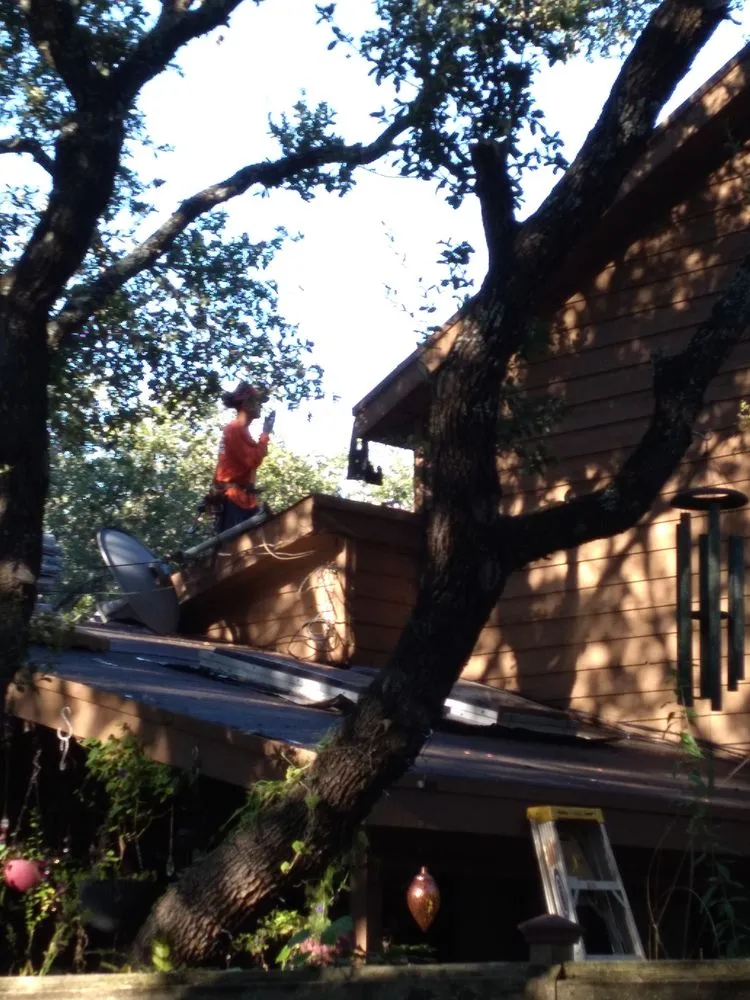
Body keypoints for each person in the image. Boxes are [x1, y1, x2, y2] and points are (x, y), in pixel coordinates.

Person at [212, 380, 275, 532]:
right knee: (235, 550)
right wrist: (265, 433)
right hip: (233, 499)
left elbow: (256, 455)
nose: (260, 406)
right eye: (257, 402)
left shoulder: (243, 431)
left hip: (245, 499)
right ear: (246, 404)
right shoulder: (234, 429)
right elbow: (252, 460)